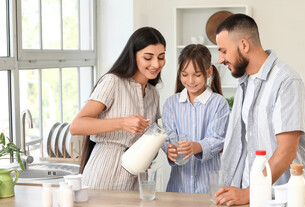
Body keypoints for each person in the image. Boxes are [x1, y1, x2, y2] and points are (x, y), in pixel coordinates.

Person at [214, 14, 305, 206]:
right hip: (254, 198)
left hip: (288, 200)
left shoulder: (287, 82)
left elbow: (287, 150)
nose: (220, 59)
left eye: (223, 51)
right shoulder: (244, 84)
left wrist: (249, 192)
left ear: (244, 45)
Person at [69, 27, 166, 190]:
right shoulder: (112, 82)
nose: (156, 64)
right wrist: (122, 123)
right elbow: (76, 126)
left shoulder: (153, 94)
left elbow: (151, 138)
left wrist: (146, 159)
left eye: (161, 57)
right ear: (133, 56)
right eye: (148, 57)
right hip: (104, 174)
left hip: (136, 179)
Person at [161, 44, 230, 193]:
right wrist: (169, 149)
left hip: (208, 189)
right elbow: (167, 138)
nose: (190, 81)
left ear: (209, 71)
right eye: (185, 75)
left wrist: (198, 147)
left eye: (197, 75)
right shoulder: (171, 104)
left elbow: (219, 138)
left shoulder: (218, 103)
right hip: (177, 188)